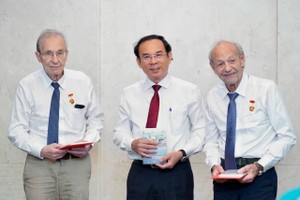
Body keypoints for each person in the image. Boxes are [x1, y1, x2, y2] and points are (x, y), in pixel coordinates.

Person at [8, 29, 103, 200]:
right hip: (39, 165)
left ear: (67, 53)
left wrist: (88, 142)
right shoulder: (27, 85)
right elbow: (16, 130)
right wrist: (42, 150)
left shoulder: (82, 81)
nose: (55, 60)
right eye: (48, 53)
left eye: (60, 53)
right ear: (38, 56)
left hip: (77, 165)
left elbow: (96, 119)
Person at [113, 34, 206, 200]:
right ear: (138, 62)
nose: (153, 61)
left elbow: (201, 131)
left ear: (169, 56)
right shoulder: (129, 93)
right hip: (140, 173)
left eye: (158, 55)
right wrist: (132, 143)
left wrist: (181, 152)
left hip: (177, 172)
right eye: (146, 57)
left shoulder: (189, 91)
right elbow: (119, 133)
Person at [204, 40, 296, 200]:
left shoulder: (266, 89)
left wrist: (259, 166)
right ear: (213, 68)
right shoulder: (213, 96)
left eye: (232, 60)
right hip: (224, 179)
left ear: (242, 59)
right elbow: (211, 140)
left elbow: (287, 136)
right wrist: (214, 165)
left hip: (259, 176)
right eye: (220, 64)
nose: (227, 68)